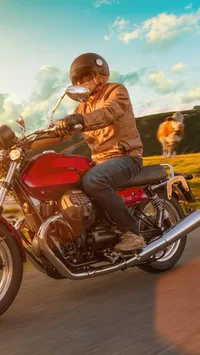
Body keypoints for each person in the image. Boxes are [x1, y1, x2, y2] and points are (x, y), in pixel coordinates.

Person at [54, 53, 146, 252]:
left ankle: (132, 233)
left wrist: (80, 120)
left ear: (99, 76)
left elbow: (107, 113)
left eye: (85, 77)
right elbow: (61, 133)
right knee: (66, 182)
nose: (81, 83)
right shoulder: (82, 107)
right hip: (100, 162)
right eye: (77, 80)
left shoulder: (116, 91)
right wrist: (20, 143)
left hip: (126, 158)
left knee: (93, 181)